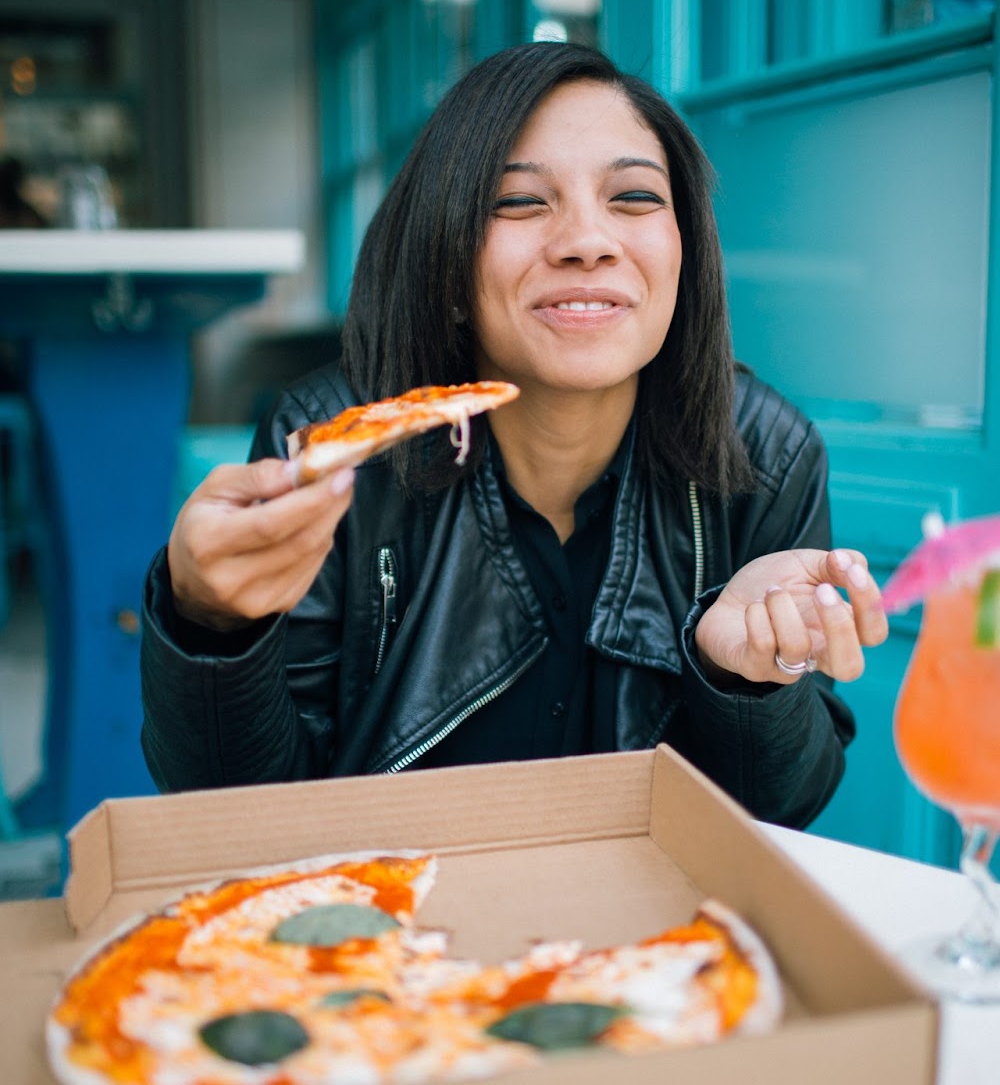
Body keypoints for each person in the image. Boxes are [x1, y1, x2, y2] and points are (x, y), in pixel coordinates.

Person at [141, 41, 887, 827]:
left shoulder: (767, 455)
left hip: (646, 943)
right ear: (447, 258)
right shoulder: (333, 448)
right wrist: (210, 624)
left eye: (633, 197)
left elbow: (782, 812)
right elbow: (238, 816)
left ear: (685, 252)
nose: (586, 240)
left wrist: (744, 684)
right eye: (521, 202)